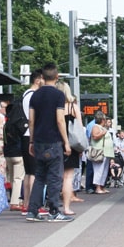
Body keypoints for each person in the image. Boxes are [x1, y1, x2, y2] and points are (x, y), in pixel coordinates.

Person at [26, 62, 73, 222]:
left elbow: (31, 121)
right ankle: (54, 210)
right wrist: (66, 142)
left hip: (38, 141)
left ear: (42, 77)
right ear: (57, 77)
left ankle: (32, 211)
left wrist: (31, 142)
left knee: (39, 177)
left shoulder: (35, 95)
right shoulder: (58, 95)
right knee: (54, 177)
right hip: (53, 141)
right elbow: (60, 120)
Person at [56, 81, 82, 216]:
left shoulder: (53, 107)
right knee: (68, 177)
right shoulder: (73, 107)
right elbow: (80, 128)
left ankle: (53, 207)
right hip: (71, 144)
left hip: (55, 142)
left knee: (55, 176)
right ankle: (66, 207)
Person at [20, 69, 43, 214]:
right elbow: (32, 117)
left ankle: (27, 203)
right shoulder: (33, 96)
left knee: (28, 172)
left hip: (25, 134)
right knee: (34, 172)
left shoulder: (25, 94)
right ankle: (34, 205)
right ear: (38, 79)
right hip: (31, 135)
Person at [90, 117, 115, 194]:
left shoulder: (103, 128)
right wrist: (103, 133)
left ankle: (101, 186)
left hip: (106, 152)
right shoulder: (96, 127)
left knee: (104, 170)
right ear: (102, 120)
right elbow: (95, 137)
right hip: (100, 151)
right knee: (99, 170)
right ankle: (97, 187)